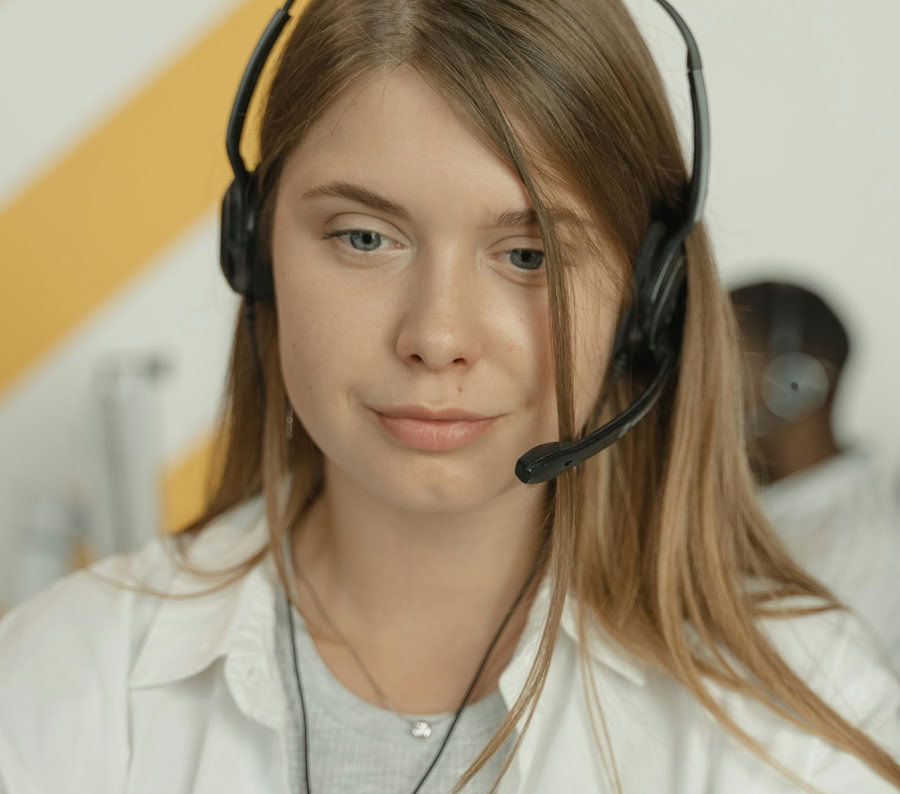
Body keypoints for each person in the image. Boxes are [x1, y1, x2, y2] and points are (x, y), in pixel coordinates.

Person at [1, 1, 898, 793]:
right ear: (255, 252)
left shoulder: (802, 720)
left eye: (528, 254)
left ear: (647, 300)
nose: (436, 336)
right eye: (364, 237)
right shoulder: (61, 681)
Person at [730, 279, 900, 670]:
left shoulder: (855, 549)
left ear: (796, 385)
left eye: (720, 359)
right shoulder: (768, 504)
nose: (694, 386)